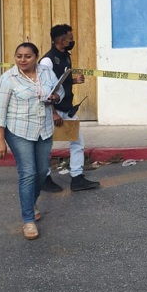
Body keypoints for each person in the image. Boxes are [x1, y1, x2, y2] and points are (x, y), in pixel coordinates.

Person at [0, 42, 63, 240]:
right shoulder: (8, 79)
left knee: (42, 171)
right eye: (19, 56)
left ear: (36, 57)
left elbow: (59, 91)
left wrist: (57, 97)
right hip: (18, 130)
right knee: (28, 172)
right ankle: (28, 220)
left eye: (27, 56)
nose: (22, 60)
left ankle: (31, 201)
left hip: (44, 129)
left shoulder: (46, 73)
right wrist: (0, 140)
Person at [40, 24, 99, 192]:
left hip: (67, 109)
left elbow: (57, 82)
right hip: (53, 111)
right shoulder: (47, 61)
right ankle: (44, 179)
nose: (72, 41)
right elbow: (44, 88)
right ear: (61, 40)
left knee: (77, 142)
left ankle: (77, 178)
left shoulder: (65, 56)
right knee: (46, 145)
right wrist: (53, 113)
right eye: (70, 39)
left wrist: (73, 81)